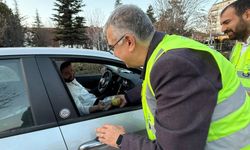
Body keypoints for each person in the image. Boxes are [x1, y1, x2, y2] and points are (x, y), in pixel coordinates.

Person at [96, 4, 250, 150]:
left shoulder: (173, 65)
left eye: (112, 47)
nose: (113, 53)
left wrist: (121, 139)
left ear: (129, 41)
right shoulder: (166, 50)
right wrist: (127, 98)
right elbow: (156, 85)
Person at [220, 0, 250, 93]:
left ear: (248, 15)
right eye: (222, 24)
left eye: (227, 22)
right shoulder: (237, 47)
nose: (223, 29)